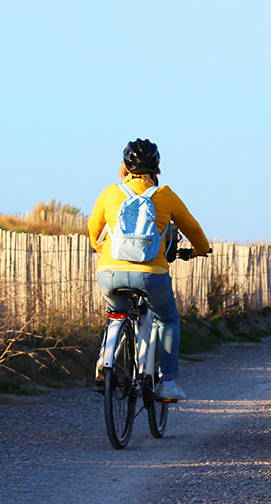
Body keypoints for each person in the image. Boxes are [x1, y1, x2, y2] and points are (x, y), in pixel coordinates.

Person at [88, 138, 212, 401]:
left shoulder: (110, 192)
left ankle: (105, 358)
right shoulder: (165, 195)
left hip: (109, 272)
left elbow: (92, 230)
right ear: (156, 167)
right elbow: (193, 228)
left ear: (124, 166)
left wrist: (103, 254)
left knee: (117, 312)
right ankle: (168, 383)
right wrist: (201, 249)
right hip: (151, 274)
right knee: (167, 320)